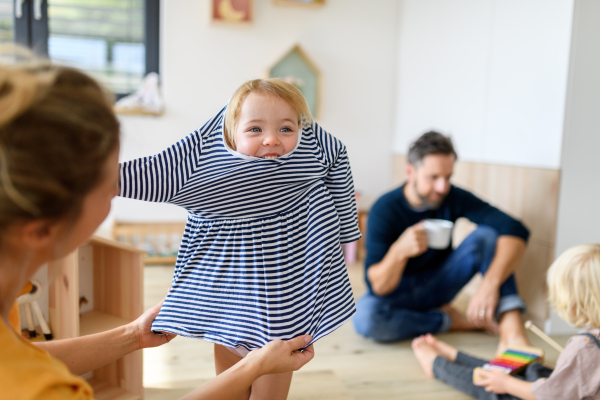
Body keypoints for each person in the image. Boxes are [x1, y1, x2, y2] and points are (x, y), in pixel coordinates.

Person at [0, 58, 313, 400]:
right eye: (109, 185)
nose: (118, 191)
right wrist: (252, 367)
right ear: (42, 228)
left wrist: (132, 335)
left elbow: (21, 356)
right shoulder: (46, 391)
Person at [118, 78, 361, 399]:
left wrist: (346, 232)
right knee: (230, 385)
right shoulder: (208, 168)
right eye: (255, 130)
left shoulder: (313, 154)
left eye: (286, 129)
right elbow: (151, 173)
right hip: (229, 302)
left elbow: (338, 160)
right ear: (230, 134)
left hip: (286, 307)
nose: (272, 139)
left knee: (269, 389)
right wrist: (98, 179)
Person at [353, 131, 530, 350]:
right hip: (396, 293)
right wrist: (399, 251)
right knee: (365, 318)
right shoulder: (384, 209)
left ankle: (512, 331)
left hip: (438, 285)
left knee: (487, 236)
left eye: (448, 177)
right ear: (410, 172)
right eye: (433, 177)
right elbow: (377, 287)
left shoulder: (453, 197)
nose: (442, 187)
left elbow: (515, 228)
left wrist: (489, 284)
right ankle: (448, 321)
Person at [411, 244, 600, 400]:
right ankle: (454, 355)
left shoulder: (584, 348)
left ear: (576, 303)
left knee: (494, 388)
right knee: (530, 369)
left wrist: (507, 384)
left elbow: (550, 396)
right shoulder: (587, 347)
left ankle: (437, 365)